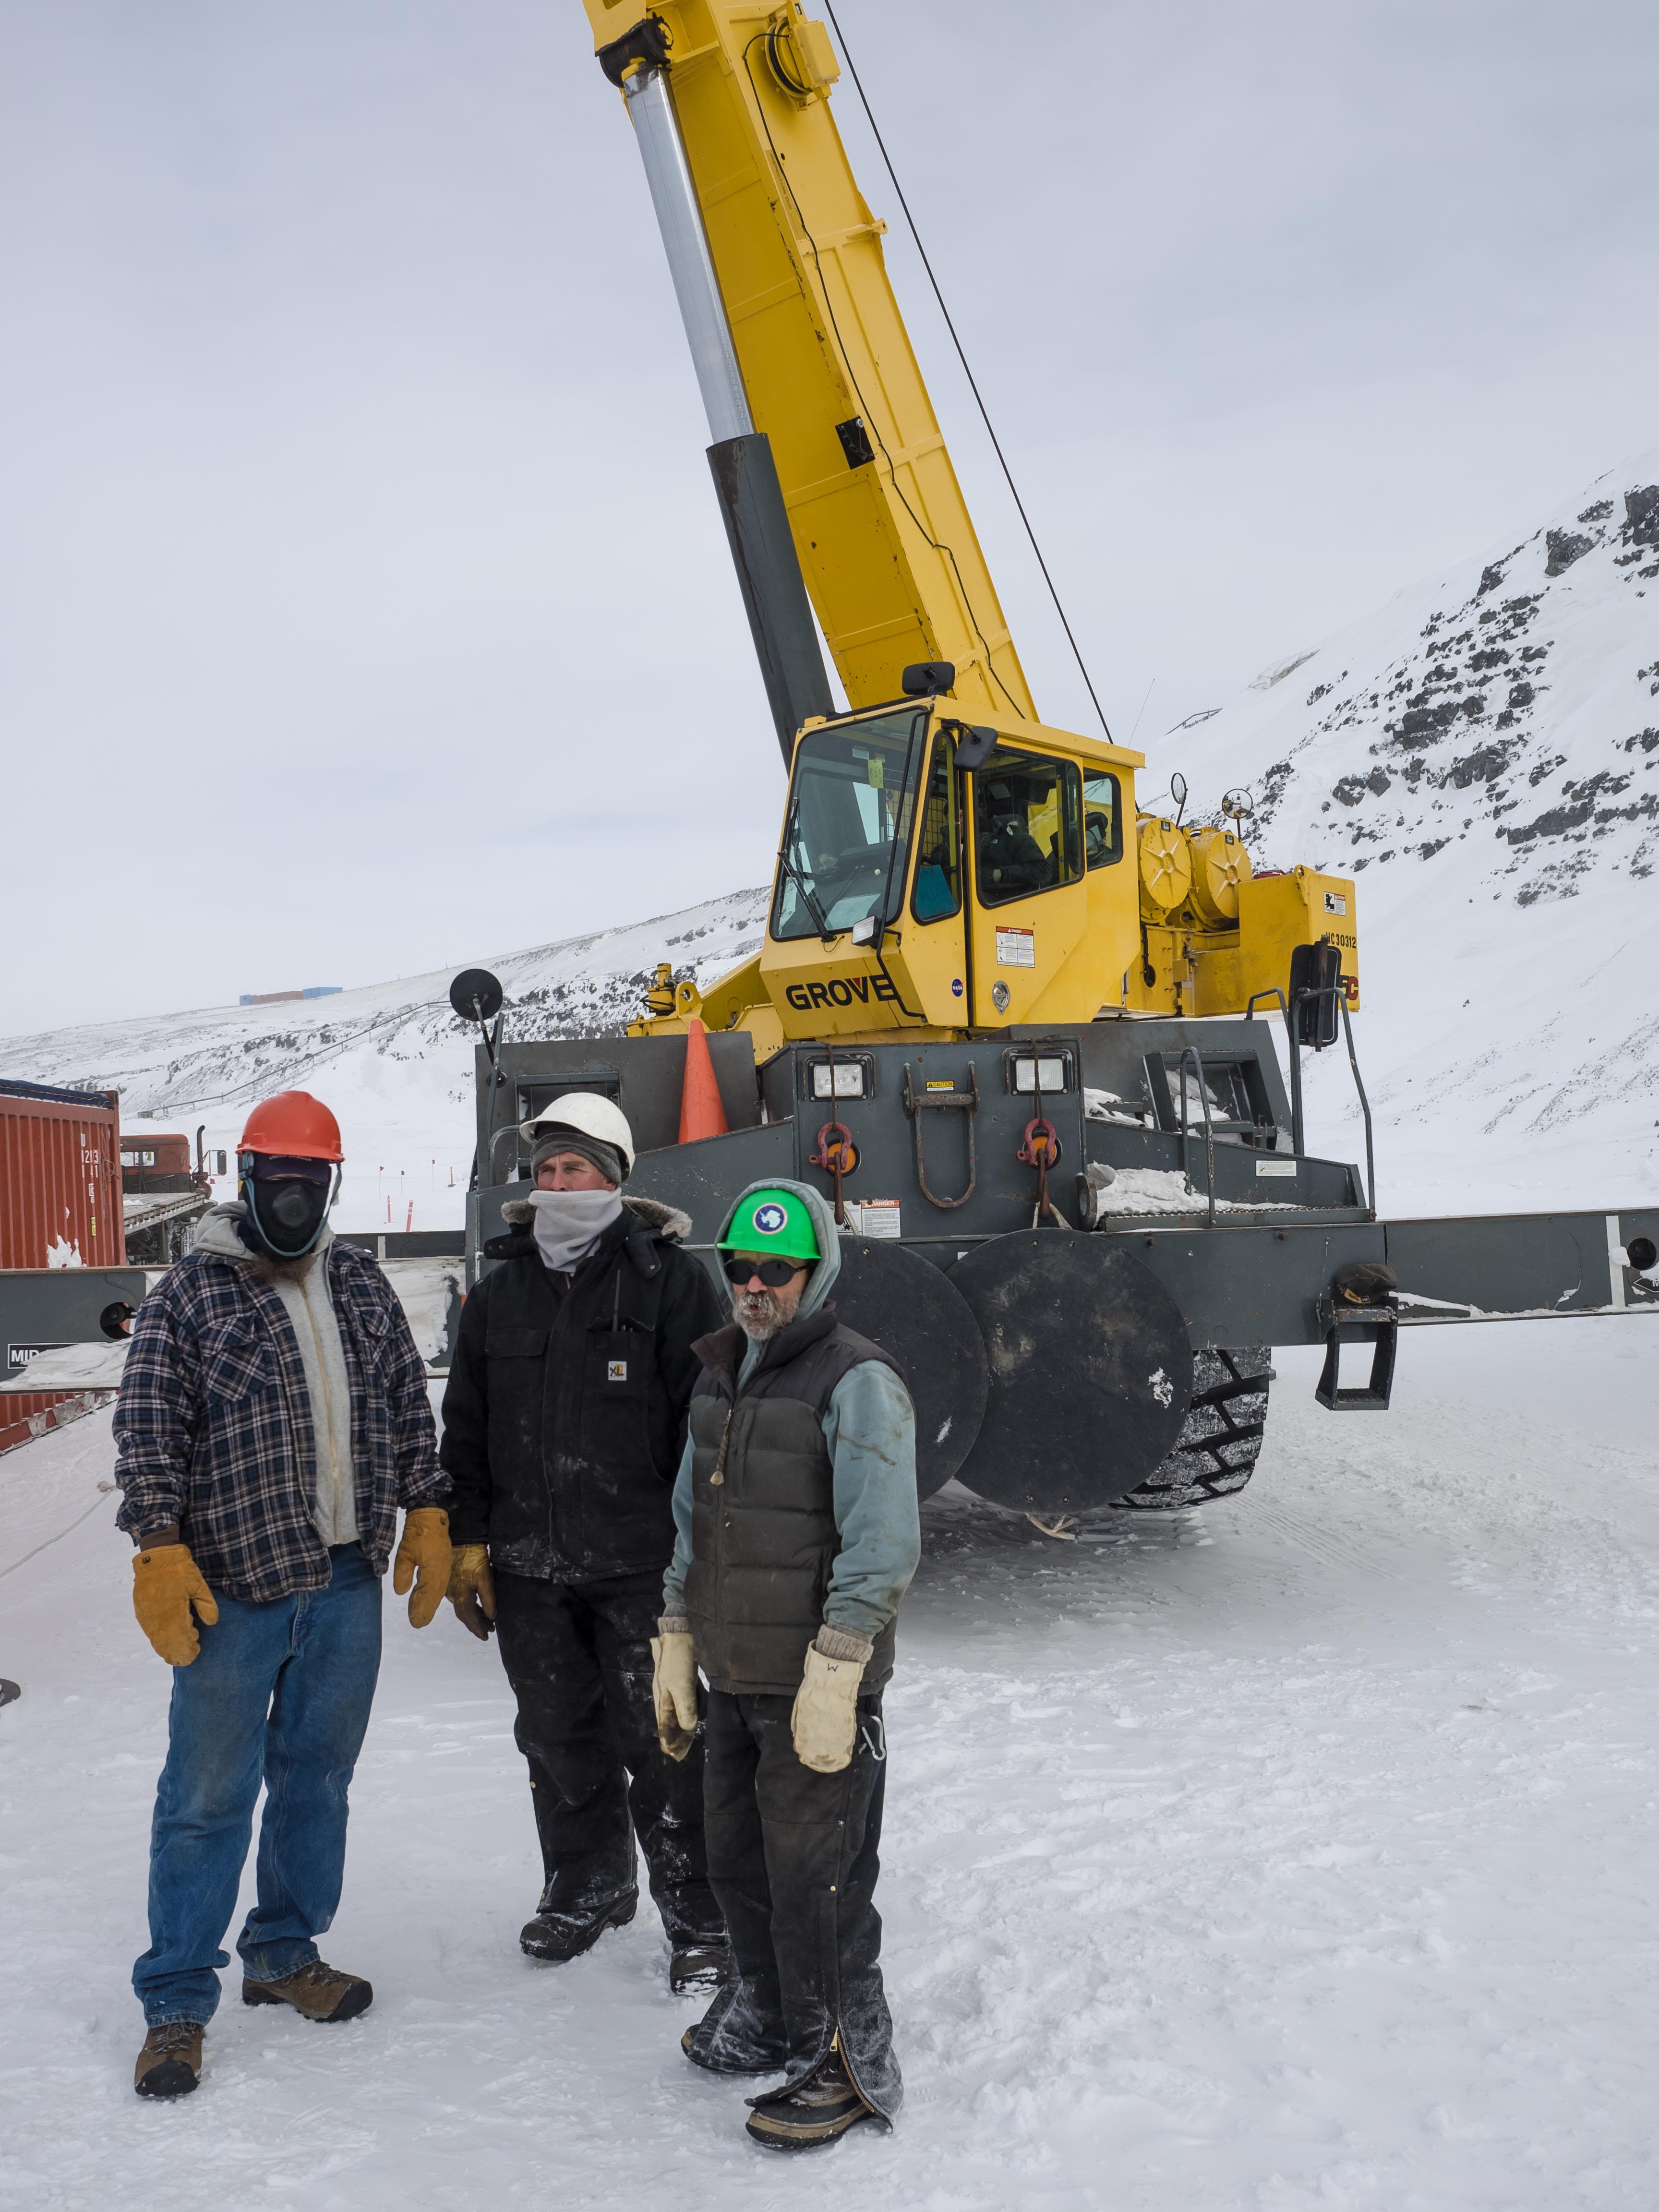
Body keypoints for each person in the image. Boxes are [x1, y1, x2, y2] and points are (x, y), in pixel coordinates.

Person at [113, 1089, 452, 2100]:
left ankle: (282, 1951)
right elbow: (147, 1428)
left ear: (330, 1184)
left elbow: (403, 1401)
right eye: (279, 1180)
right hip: (233, 1589)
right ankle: (176, 1998)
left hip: (345, 1582)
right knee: (207, 1798)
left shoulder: (357, 1284)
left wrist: (429, 1506)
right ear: (246, 1179)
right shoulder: (193, 1294)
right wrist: (158, 1546)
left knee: (317, 1780)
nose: (296, 1199)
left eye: (313, 1182)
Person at [652, 1179, 920, 2152]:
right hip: (737, 1677)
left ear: (818, 1274)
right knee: (741, 1861)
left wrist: (841, 1666)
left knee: (823, 1881)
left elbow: (883, 1540)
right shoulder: (721, 1373)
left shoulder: (858, 1381)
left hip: (816, 1684)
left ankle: (849, 2058)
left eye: (778, 1269)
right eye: (741, 1268)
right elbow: (691, 1519)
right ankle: (768, 2013)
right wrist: (677, 1635)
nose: (756, 1286)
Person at [440, 1094, 729, 1990]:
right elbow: (468, 1427)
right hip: (530, 1568)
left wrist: (701, 1558)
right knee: (557, 1738)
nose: (559, 1185)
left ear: (616, 1177)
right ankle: (588, 1888)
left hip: (643, 1567)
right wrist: (468, 1541)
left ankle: (703, 1921)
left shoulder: (675, 1285)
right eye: (546, 1171)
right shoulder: (498, 1294)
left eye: (577, 1169)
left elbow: (708, 1429)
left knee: (667, 1741)